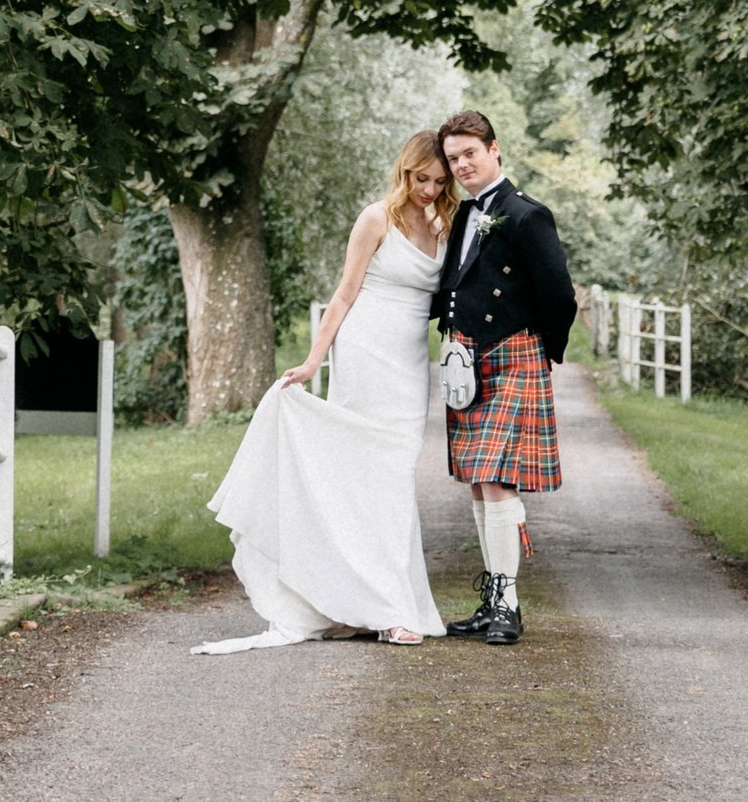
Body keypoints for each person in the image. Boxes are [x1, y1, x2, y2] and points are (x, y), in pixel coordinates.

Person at [192, 132, 454, 653]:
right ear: (403, 172)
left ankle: (368, 599)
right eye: (420, 178)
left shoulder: (446, 224)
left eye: (439, 181)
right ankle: (387, 609)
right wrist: (314, 361)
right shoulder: (376, 218)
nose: (428, 189)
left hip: (408, 363)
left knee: (396, 476)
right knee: (365, 479)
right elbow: (344, 293)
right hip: (364, 354)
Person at [433, 109, 574, 645]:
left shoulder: (526, 215)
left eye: (470, 152)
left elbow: (559, 295)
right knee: (478, 481)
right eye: (453, 158)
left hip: (512, 352)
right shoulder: (462, 216)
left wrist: (542, 351)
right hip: (466, 360)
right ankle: (492, 601)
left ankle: (508, 605)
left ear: (495, 150)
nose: (462, 164)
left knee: (497, 479)